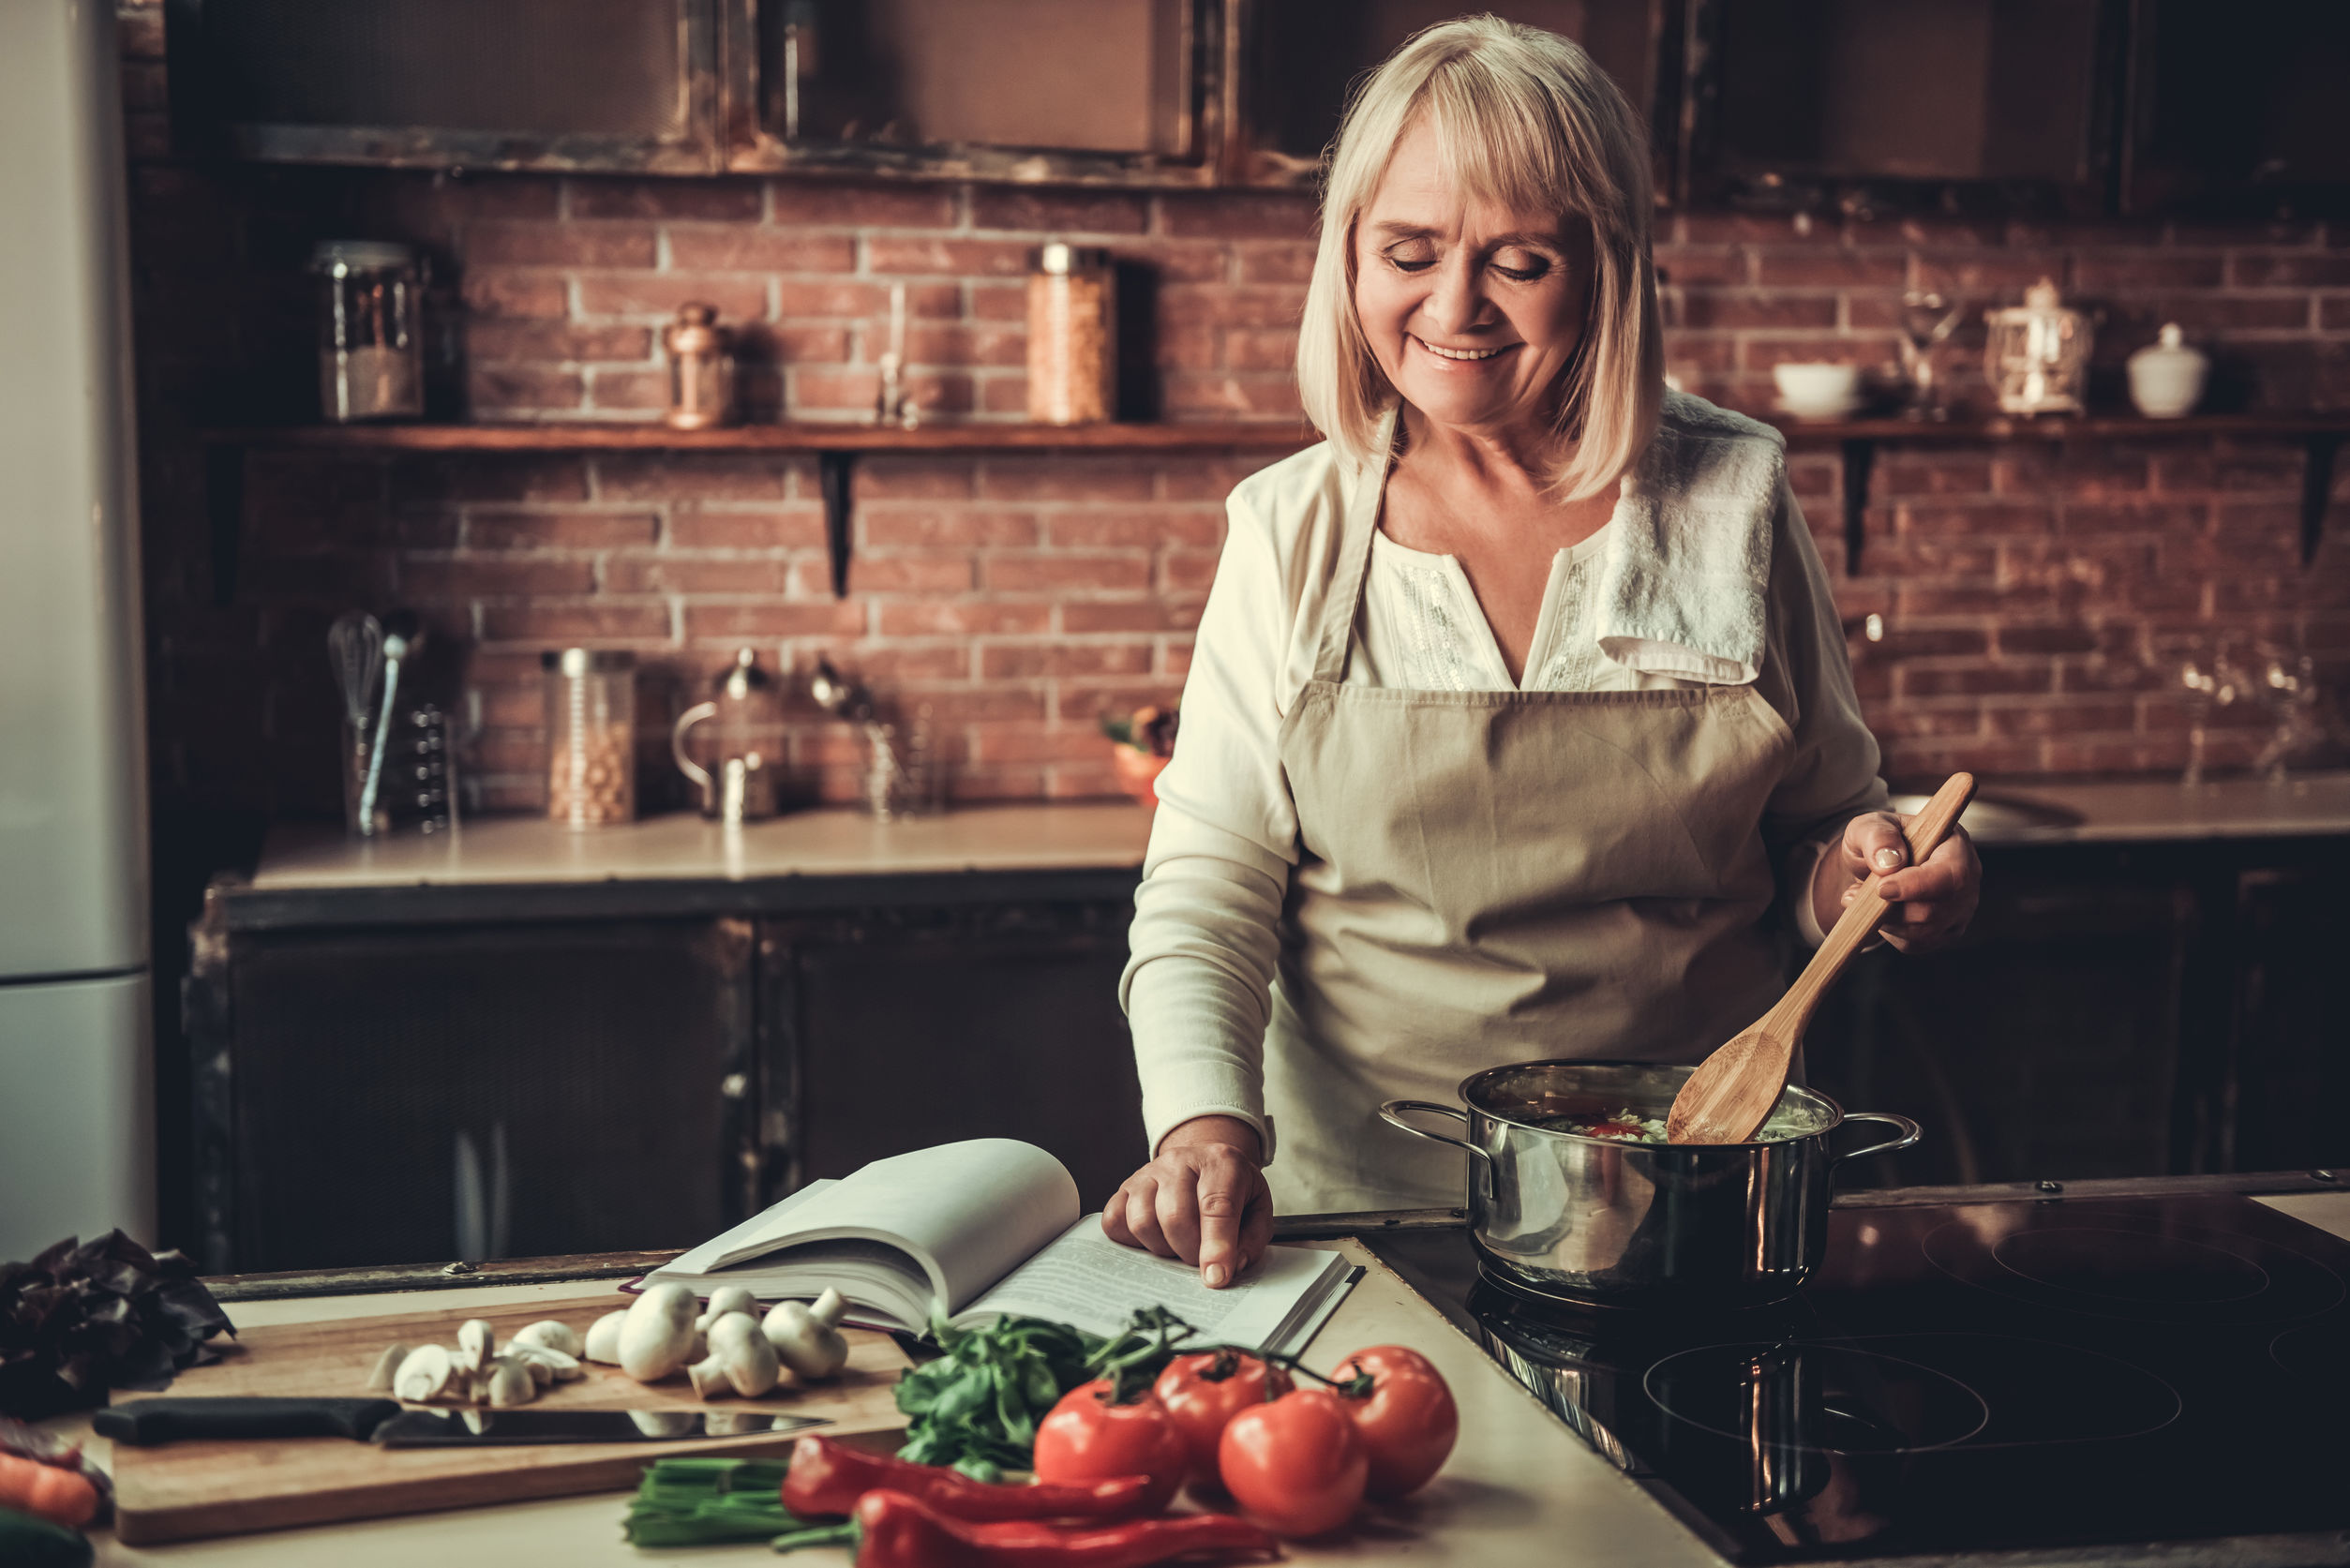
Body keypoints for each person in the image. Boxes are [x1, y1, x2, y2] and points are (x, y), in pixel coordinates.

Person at [1102, 18, 1980, 1287]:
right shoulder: (1290, 531)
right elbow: (1208, 887)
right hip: (1360, 1219)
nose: (1453, 307)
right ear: (1348, 256)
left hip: (1688, 1192)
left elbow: (1825, 831)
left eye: (1518, 261)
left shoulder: (1731, 499)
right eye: (1407, 253)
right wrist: (1200, 1120)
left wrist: (1875, 875)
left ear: (1607, 271)